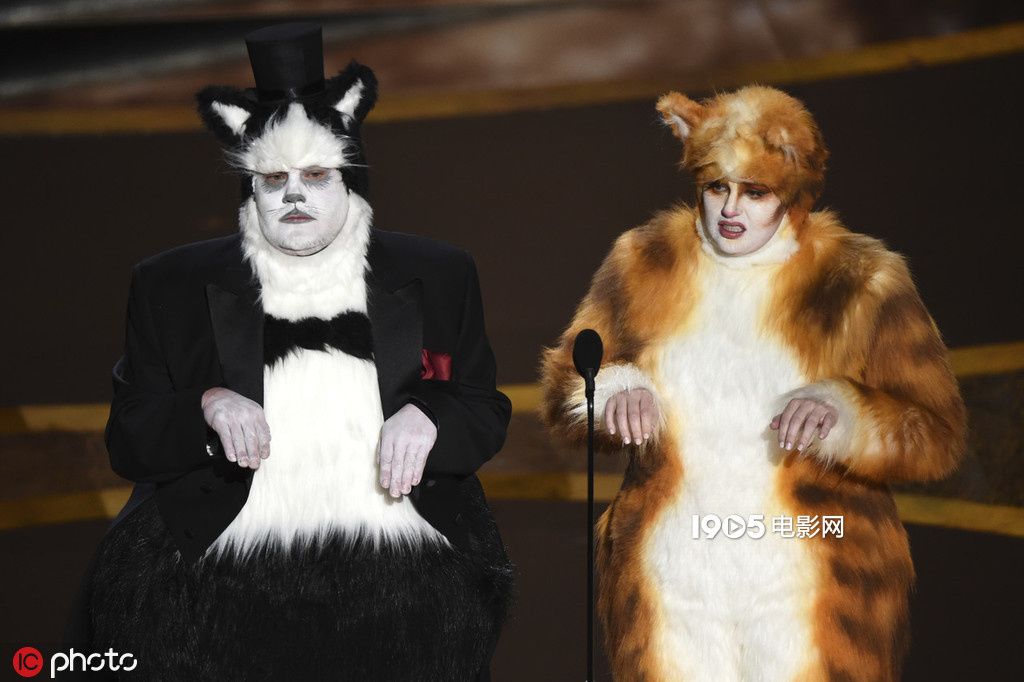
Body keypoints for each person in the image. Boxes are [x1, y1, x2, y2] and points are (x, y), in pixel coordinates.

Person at [69, 22, 512, 681]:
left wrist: (430, 416)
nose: (294, 194)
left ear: (349, 178)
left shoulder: (440, 273)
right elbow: (130, 438)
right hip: (218, 580)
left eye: (315, 175)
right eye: (274, 177)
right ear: (250, 186)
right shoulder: (169, 284)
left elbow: (483, 407)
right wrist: (206, 407)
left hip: (408, 578)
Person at [541, 85, 965, 681]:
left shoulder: (862, 281)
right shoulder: (642, 263)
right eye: (717, 187)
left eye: (755, 192)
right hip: (672, 573)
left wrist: (847, 413)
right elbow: (567, 383)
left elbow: (935, 433)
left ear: (793, 195)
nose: (730, 210)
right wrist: (613, 390)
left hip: (817, 573)